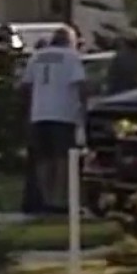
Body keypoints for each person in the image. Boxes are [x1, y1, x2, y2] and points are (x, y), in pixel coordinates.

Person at [23, 25, 87, 214]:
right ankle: (59, 200)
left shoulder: (37, 56)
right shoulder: (71, 57)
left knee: (43, 158)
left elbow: (26, 85)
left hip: (39, 114)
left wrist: (29, 111)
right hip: (63, 114)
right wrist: (83, 109)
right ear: (70, 41)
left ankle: (45, 197)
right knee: (62, 159)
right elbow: (81, 85)